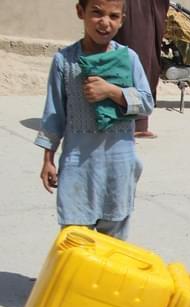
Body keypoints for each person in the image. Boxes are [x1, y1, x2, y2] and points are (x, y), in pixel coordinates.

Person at [36, 0, 154, 240]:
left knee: (113, 249)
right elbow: (54, 113)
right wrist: (48, 159)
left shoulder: (129, 58)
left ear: (122, 20)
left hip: (118, 167)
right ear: (81, 12)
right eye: (97, 13)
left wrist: (112, 92)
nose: (105, 22)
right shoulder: (65, 61)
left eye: (113, 16)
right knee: (75, 242)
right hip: (78, 166)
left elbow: (147, 103)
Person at [114, 0, 170, 139]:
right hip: (137, 9)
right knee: (139, 56)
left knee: (148, 59)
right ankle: (133, 123)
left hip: (148, 9)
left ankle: (138, 122)